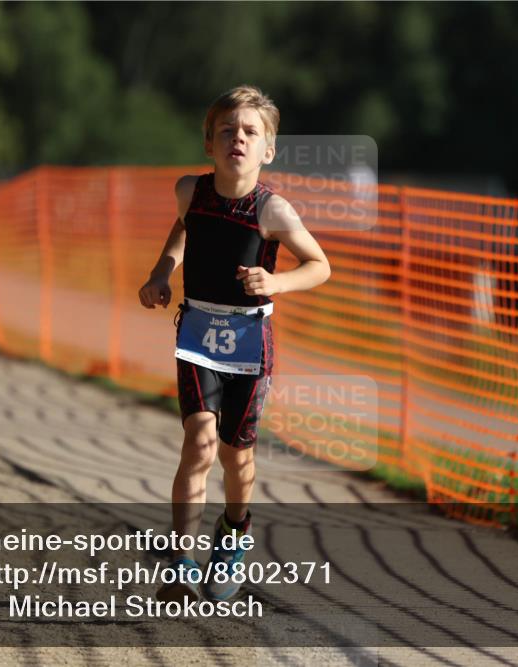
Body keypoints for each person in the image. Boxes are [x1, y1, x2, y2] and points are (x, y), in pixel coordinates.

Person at [138, 85, 330, 602]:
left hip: (249, 342)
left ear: (268, 149)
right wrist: (162, 272)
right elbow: (184, 229)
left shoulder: (274, 211)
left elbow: (320, 265)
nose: (237, 139)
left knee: (235, 457)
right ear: (209, 143)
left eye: (250, 132)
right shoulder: (190, 191)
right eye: (227, 130)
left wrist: (277, 283)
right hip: (198, 331)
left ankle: (234, 533)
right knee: (198, 441)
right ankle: (180, 559)